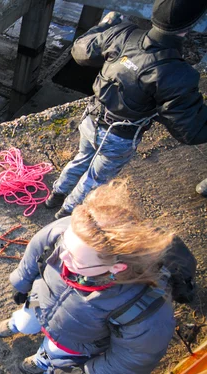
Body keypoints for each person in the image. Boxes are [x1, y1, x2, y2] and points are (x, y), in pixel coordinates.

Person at [0, 179, 180, 374]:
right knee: (26, 320)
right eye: (65, 246)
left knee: (53, 353)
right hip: (38, 300)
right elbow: (38, 245)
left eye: (75, 259)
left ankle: (41, 360)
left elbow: (137, 355)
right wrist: (22, 281)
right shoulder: (72, 235)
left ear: (117, 267)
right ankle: (19, 323)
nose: (62, 257)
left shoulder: (141, 304)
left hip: (72, 340)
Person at [46, 0, 207, 219]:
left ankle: (55, 195)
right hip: (118, 137)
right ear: (192, 24)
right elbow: (192, 130)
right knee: (96, 179)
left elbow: (80, 51)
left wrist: (104, 26)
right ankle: (66, 214)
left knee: (81, 157)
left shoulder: (123, 33)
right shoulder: (177, 73)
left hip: (91, 119)